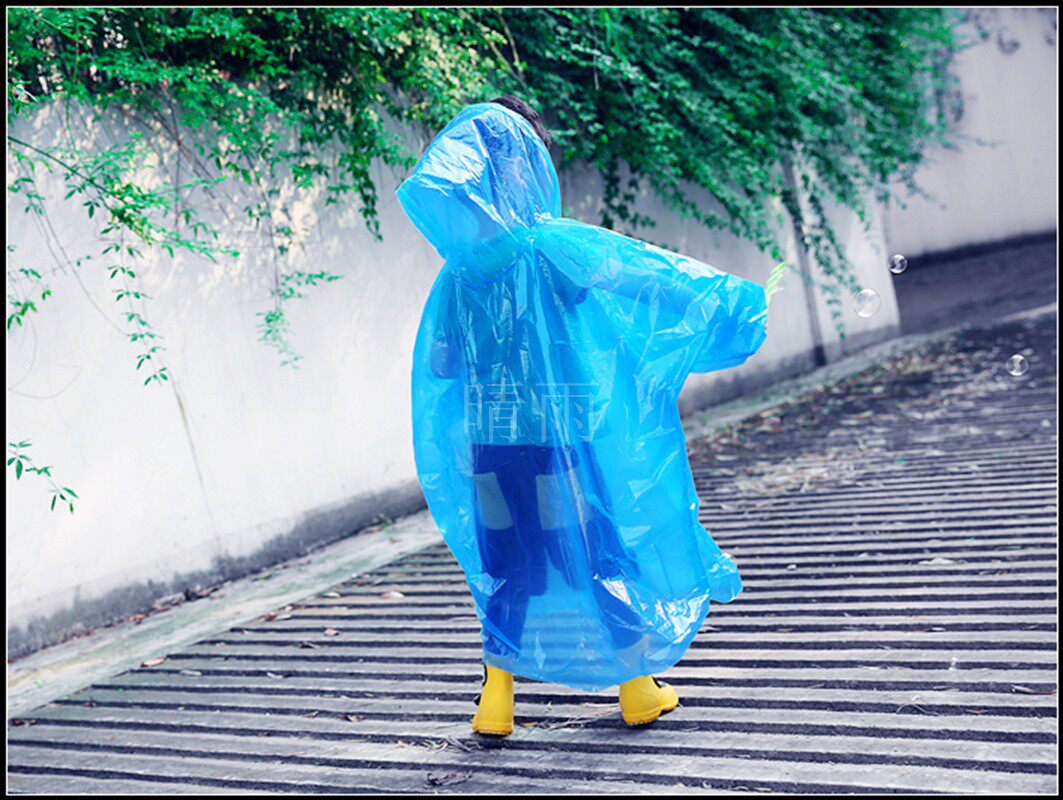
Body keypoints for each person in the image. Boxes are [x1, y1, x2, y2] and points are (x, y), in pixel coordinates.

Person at [398, 95, 768, 735]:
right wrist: (730, 303)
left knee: (507, 570)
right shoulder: (553, 247)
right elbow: (645, 279)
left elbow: (441, 364)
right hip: (558, 442)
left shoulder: (458, 275)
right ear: (524, 170)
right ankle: (637, 689)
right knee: (598, 554)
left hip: (491, 452)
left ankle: (495, 703)